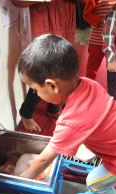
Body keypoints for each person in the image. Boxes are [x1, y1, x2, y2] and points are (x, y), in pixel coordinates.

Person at [18, 34, 116, 194]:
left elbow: (43, 160)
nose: (35, 93)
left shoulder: (70, 122)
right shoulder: (87, 83)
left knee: (94, 182)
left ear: (52, 86)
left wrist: (23, 181)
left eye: (34, 89)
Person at [12, 0, 85, 132]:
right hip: (46, 28)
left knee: (61, 70)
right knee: (42, 74)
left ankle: (53, 108)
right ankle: (26, 112)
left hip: (67, 25)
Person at [83, 0, 116, 104]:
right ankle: (89, 89)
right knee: (92, 68)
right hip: (97, 40)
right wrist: (102, 20)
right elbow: (86, 14)